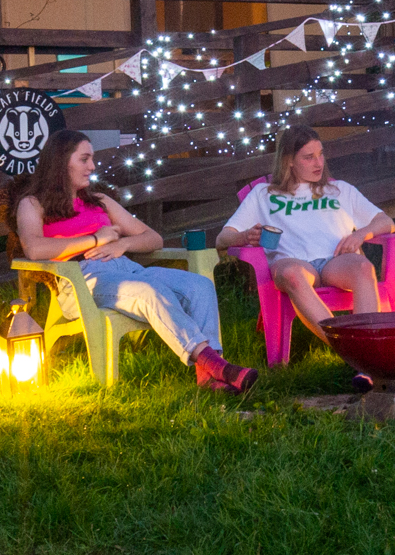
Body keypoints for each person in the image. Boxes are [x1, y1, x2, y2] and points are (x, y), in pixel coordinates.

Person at [16, 130, 257, 393]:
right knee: (148, 292)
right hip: (81, 278)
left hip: (126, 268)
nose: (92, 166)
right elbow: (34, 248)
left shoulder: (100, 202)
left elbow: (153, 239)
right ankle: (218, 366)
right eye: (84, 159)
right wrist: (96, 239)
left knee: (199, 286)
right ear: (62, 162)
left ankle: (208, 376)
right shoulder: (32, 204)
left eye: (92, 159)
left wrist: (123, 244)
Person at [214, 126, 395, 337]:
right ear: (289, 160)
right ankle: (345, 346)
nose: (319, 163)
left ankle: (365, 345)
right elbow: (222, 239)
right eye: (309, 157)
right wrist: (244, 236)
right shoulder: (263, 194)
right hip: (292, 263)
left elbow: (386, 222)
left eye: (320, 155)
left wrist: (360, 234)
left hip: (335, 262)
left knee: (364, 268)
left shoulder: (340, 190)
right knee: (292, 275)